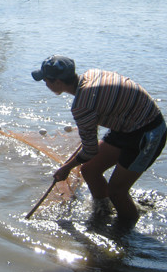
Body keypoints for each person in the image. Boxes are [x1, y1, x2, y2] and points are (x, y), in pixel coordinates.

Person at [32, 55, 166, 224]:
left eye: (46, 80)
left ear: (57, 82)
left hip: (148, 133)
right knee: (89, 170)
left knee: (116, 191)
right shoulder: (91, 74)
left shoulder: (82, 105)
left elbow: (90, 150)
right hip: (126, 126)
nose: (45, 84)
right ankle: (102, 212)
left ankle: (127, 232)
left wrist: (66, 168)